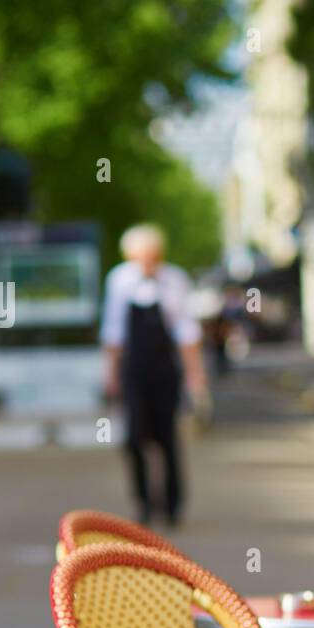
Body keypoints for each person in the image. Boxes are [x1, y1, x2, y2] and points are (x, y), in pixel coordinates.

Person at [101, 224, 211, 526]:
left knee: (167, 438)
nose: (148, 262)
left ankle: (173, 504)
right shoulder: (120, 281)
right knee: (135, 436)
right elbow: (113, 332)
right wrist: (110, 373)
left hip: (165, 370)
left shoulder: (174, 280)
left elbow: (186, 332)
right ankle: (144, 502)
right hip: (134, 370)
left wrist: (195, 374)